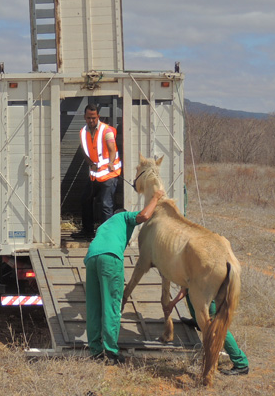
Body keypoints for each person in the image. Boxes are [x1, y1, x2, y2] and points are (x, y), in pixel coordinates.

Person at [85, 190, 165, 364]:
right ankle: (112, 352)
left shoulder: (103, 226)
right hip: (110, 257)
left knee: (93, 306)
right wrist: (156, 197)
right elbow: (144, 215)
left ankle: (95, 351)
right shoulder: (123, 217)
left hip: (91, 258)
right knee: (112, 304)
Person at [166, 288, 249, 376]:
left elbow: (184, 288)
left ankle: (241, 364)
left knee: (218, 328)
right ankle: (198, 321)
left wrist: (173, 303)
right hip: (204, 293)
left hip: (209, 297)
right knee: (192, 292)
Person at [72, 104, 122, 239]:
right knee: (85, 199)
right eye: (89, 118)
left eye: (94, 118)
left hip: (109, 174)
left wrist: (111, 163)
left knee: (106, 204)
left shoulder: (107, 131)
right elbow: (84, 150)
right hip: (95, 175)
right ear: (84, 117)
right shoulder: (83, 132)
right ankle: (88, 230)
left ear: (98, 117)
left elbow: (112, 149)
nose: (91, 121)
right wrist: (90, 164)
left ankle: (107, 237)